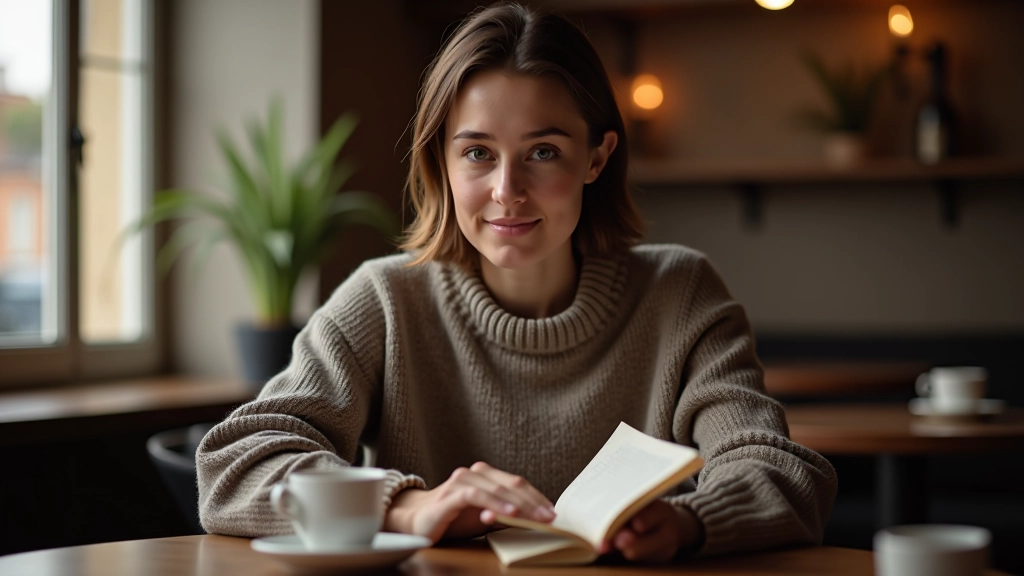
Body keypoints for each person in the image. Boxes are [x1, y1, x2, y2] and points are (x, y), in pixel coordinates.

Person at [197, 2, 837, 563]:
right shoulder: (385, 300)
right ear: (440, 164)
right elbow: (233, 465)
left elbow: (779, 472)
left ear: (597, 157)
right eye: (477, 153)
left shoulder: (681, 293)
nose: (507, 192)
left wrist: (689, 521)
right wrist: (406, 509)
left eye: (543, 151)